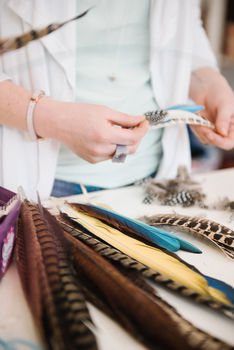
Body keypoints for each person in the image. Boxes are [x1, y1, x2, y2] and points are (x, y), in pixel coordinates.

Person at [0, 0, 233, 200]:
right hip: (43, 181)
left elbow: (183, 23)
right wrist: (50, 118)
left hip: (155, 178)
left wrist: (209, 83)